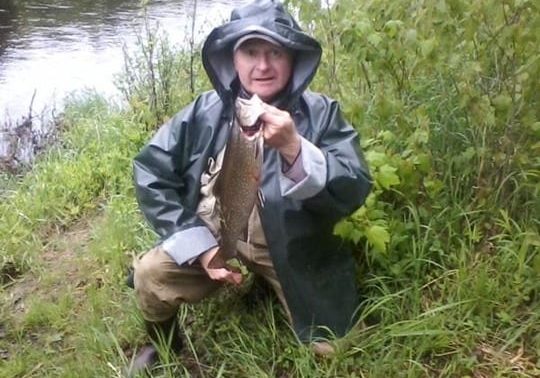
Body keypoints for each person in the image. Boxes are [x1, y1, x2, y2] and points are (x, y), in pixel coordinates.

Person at [128, 0, 372, 374]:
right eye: (250, 51)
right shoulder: (203, 112)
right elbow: (151, 170)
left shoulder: (321, 113)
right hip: (215, 234)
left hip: (292, 247)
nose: (262, 66)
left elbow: (354, 187)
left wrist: (295, 148)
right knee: (150, 274)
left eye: (275, 51)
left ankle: (274, 281)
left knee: (335, 348)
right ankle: (162, 342)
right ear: (232, 58)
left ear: (293, 58)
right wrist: (199, 246)